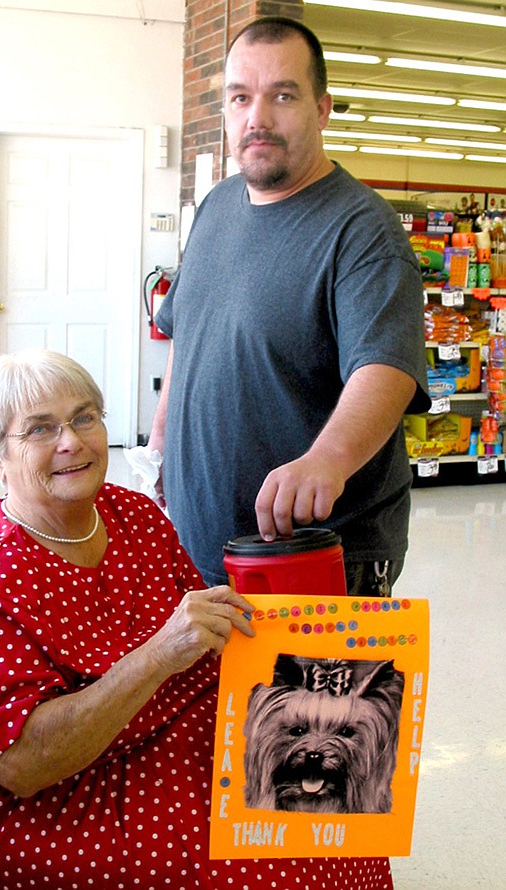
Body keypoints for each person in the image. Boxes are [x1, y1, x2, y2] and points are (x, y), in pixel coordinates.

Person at [0, 349, 393, 890]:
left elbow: (208, 631)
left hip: (171, 731)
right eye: (39, 429)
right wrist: (159, 656)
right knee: (269, 864)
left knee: (342, 814)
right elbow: (22, 768)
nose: (71, 441)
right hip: (63, 796)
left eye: (84, 417)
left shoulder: (132, 514)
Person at [149, 16, 430, 597]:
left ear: (322, 109)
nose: (258, 117)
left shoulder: (362, 228)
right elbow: (186, 332)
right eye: (240, 98)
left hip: (315, 556)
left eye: (283, 95)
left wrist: (327, 458)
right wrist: (161, 441)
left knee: (301, 694)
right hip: (205, 544)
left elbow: (386, 368)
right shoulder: (216, 208)